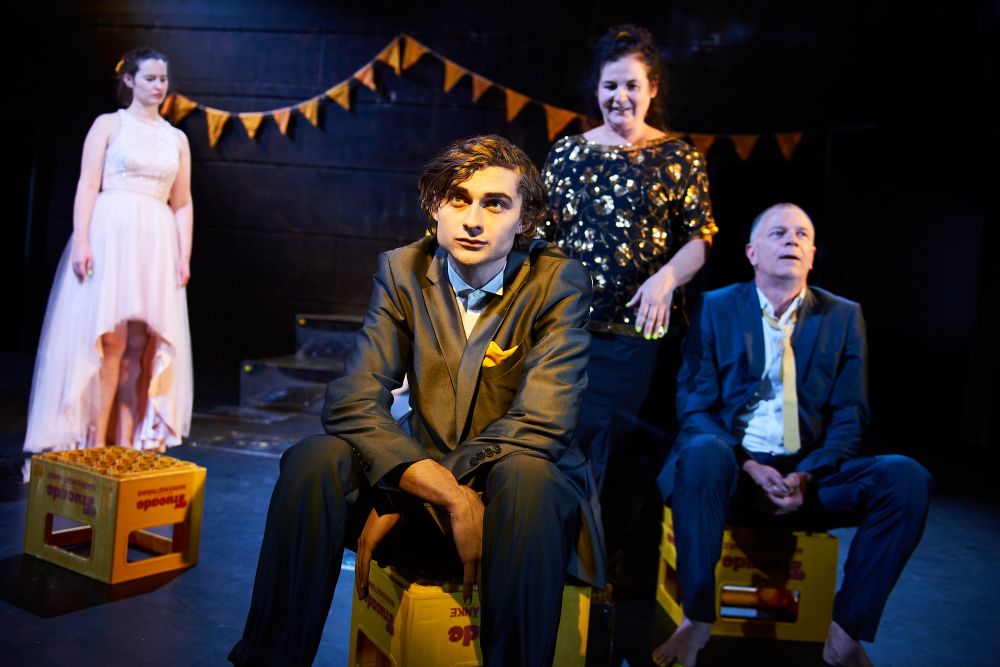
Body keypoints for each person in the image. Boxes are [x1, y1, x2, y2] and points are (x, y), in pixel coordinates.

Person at [229, 135, 605, 667]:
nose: (473, 220)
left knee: (528, 475)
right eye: (459, 199)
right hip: (424, 496)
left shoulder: (557, 281)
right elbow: (352, 401)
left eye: (495, 204)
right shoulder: (403, 269)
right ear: (434, 206)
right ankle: (269, 659)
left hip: (513, 513)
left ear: (525, 220)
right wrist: (434, 491)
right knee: (316, 459)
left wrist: (415, 490)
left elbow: (543, 422)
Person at [653, 203, 932, 667]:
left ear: (813, 254)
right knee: (702, 451)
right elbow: (695, 407)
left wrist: (806, 475)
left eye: (802, 235)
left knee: (906, 477)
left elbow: (849, 416)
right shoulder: (717, 307)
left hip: (807, 478)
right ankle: (696, 618)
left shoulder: (844, 316)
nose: (792, 241)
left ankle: (845, 633)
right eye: (779, 233)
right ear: (752, 252)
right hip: (731, 474)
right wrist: (748, 465)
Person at [540, 23, 717, 595]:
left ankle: (597, 575)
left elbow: (699, 238)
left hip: (636, 336)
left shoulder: (677, 157)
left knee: (614, 452)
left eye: (632, 85)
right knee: (561, 443)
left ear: (653, 88)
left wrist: (667, 277)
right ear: (596, 88)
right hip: (566, 331)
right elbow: (540, 238)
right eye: (610, 85)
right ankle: (555, 567)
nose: (620, 96)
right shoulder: (567, 153)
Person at [22, 47, 194, 478]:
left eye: (163, 79)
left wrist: (183, 254)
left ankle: (128, 443)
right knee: (110, 342)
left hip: (155, 242)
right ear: (130, 80)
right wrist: (82, 240)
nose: (158, 86)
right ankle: (95, 444)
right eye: (150, 78)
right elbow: (87, 184)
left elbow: (183, 202)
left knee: (142, 346)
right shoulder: (108, 125)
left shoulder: (176, 138)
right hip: (111, 233)